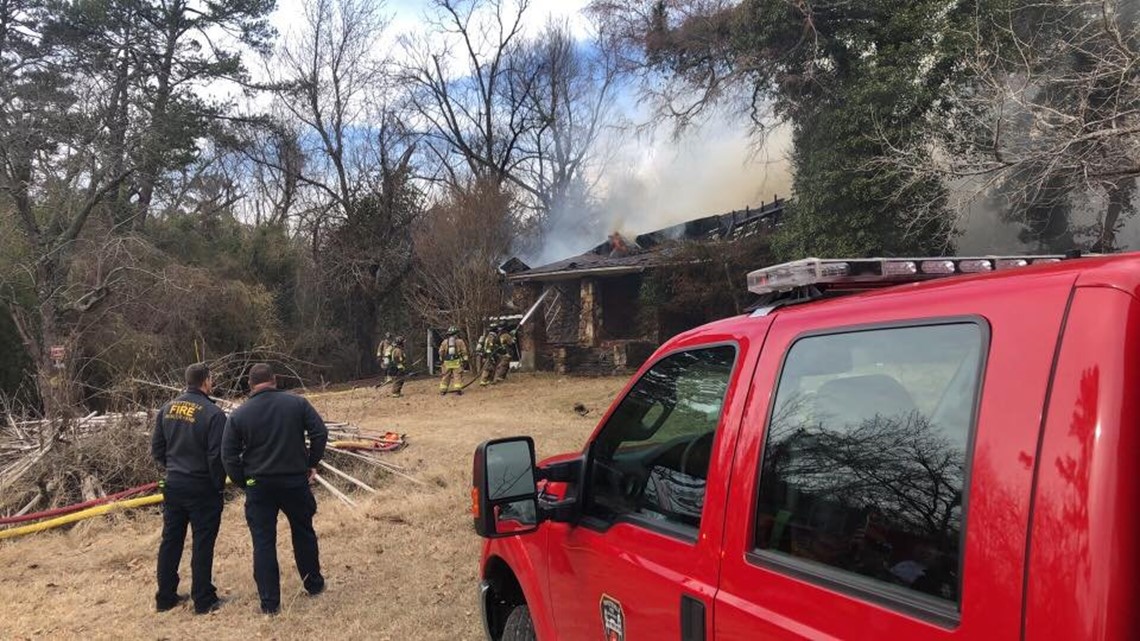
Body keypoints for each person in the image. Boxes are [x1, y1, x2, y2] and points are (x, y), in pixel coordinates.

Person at [221, 363, 329, 615]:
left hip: (259, 485)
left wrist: (244, 482)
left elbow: (228, 456)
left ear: (250, 385)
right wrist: (311, 463)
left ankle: (270, 603)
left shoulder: (239, 414)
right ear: (275, 380)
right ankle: (313, 584)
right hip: (295, 481)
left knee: (263, 542)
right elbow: (320, 433)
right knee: (303, 532)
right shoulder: (297, 404)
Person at [151, 362, 227, 614]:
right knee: (202, 542)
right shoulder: (213, 414)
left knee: (171, 541)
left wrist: (173, 468)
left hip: (174, 484)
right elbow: (217, 457)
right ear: (206, 381)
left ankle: (165, 597)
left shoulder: (167, 409)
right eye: (211, 379)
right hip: (202, 487)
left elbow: (157, 449)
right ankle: (203, 599)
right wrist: (217, 485)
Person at [437, 326, 469, 396]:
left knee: (445, 376)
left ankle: (443, 391)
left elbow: (441, 352)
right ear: (456, 333)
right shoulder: (460, 341)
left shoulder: (445, 342)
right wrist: (465, 360)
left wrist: (442, 359)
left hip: (447, 362)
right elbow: (464, 351)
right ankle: (458, 390)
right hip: (456, 362)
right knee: (457, 375)